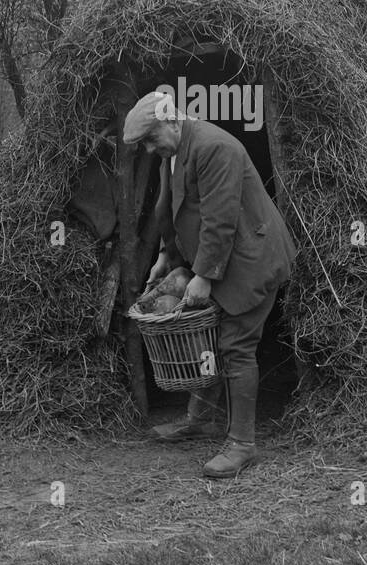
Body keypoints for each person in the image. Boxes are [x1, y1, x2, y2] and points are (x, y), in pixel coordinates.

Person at [123, 90, 296, 478]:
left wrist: (202, 275)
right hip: (223, 258)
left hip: (252, 257)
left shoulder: (215, 147)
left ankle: (242, 444)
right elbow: (172, 208)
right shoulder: (174, 152)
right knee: (209, 341)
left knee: (235, 345)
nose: (150, 150)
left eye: (151, 139)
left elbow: (220, 219)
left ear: (171, 121)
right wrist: (168, 255)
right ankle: (201, 419)